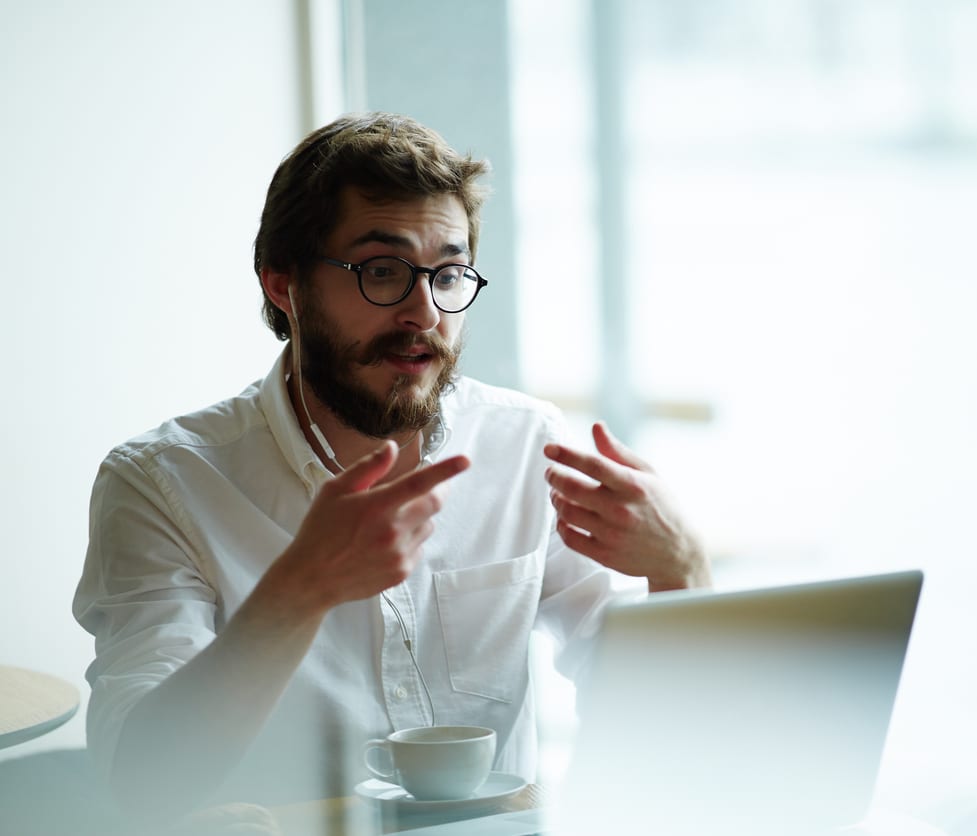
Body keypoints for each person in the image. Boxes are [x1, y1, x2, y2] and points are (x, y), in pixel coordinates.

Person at [73, 112, 710, 819]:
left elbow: (653, 729)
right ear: (284, 285)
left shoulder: (526, 446)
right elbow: (143, 781)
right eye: (382, 271)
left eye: (449, 272)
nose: (424, 310)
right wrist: (300, 588)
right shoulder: (162, 484)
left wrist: (680, 574)